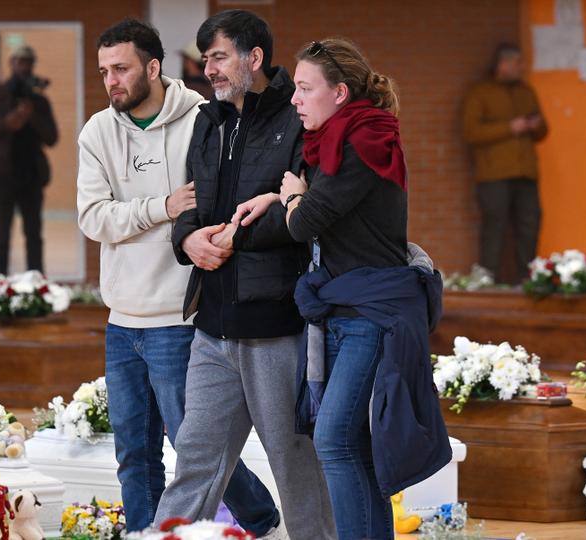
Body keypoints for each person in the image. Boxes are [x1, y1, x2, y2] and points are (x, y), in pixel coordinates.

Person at [232, 38, 452, 539]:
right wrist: (282, 195)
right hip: (347, 307)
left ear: (340, 93)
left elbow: (305, 220)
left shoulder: (361, 143)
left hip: (372, 312)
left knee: (334, 439)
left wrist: (290, 198)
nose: (294, 98)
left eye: (306, 88)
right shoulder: (343, 138)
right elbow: (313, 204)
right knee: (350, 441)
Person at [76, 19, 279, 534]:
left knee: (193, 446)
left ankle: (259, 517)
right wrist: (160, 207)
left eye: (120, 69)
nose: (111, 81)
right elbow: (93, 218)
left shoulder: (201, 120)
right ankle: (149, 533)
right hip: (123, 317)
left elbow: (209, 207)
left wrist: (178, 221)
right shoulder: (97, 131)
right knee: (133, 452)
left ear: (152, 66)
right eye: (103, 72)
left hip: (180, 314)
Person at [153, 11, 335, 540]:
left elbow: (307, 209)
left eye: (218, 56)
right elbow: (190, 200)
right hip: (212, 326)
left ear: (253, 58)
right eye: (204, 58)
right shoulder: (207, 122)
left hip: (277, 326)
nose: (207, 68)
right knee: (194, 459)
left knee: (295, 462)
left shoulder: (297, 119)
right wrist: (187, 239)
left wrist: (239, 235)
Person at [0, 45, 58, 275]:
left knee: (34, 235)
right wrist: (6, 123)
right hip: (1, 175)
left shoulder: (38, 101)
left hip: (31, 175)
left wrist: (31, 117)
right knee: (1, 234)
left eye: (28, 62)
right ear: (11, 63)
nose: (24, 67)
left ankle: (37, 286)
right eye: (19, 61)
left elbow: (52, 137)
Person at [463, 42, 548, 283]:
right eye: (517, 63)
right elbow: (471, 132)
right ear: (503, 64)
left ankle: (527, 279)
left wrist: (536, 124)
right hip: (494, 174)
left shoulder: (525, 91)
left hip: (526, 172)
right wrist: (510, 128)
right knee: (495, 226)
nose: (522, 67)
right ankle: (487, 279)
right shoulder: (480, 93)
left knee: (530, 224)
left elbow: (543, 133)